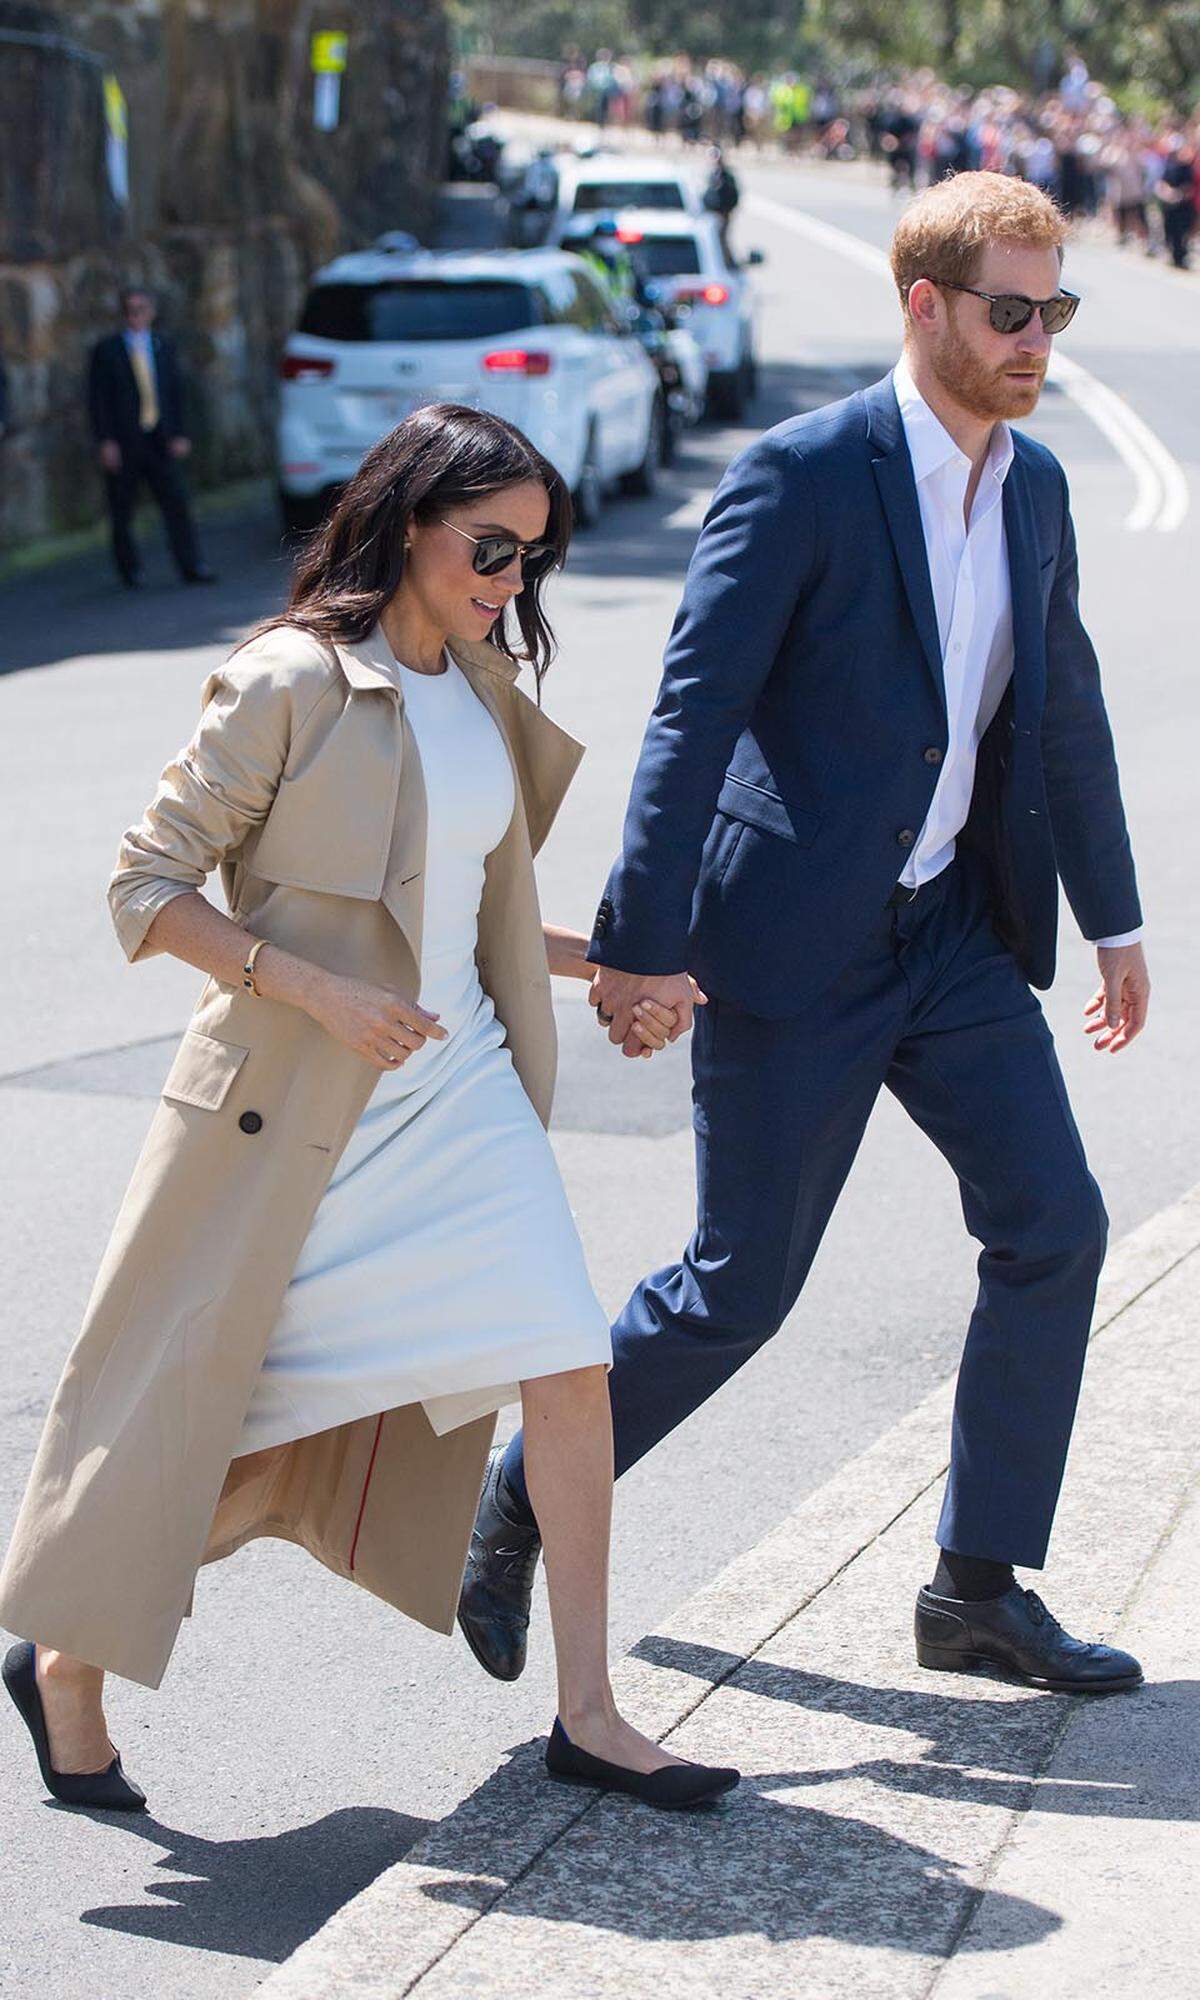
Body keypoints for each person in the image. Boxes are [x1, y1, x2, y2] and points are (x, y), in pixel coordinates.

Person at [459, 174, 1150, 1701]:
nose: (1039, 340)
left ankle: (977, 1587)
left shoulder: (1032, 490)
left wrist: (1117, 918)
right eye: (1011, 310)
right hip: (792, 944)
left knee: (1055, 1225)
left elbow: (1065, 719)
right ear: (926, 306)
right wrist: (641, 946)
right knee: (741, 1286)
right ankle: (526, 1484)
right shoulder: (803, 476)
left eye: (1058, 311)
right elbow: (692, 719)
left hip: (954, 937)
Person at [0, 404, 737, 1816]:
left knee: (567, 1364)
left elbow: (474, 913)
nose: (512, 581)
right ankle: (65, 1657)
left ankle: (591, 1712)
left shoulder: (476, 685)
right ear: (409, 520)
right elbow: (144, 889)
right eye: (491, 546)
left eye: (535, 556)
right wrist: (315, 992)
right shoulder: (289, 680)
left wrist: (618, 967)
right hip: (304, 1129)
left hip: (464, 1101)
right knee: (232, 1439)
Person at [87, 285, 216, 589]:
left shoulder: (163, 346)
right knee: (122, 508)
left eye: (141, 309)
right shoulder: (107, 350)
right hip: (125, 439)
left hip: (158, 439)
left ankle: (191, 564)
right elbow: (98, 399)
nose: (136, 316)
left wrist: (179, 433)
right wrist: (106, 440)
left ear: (152, 312)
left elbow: (175, 394)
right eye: (130, 310)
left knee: (176, 503)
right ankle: (129, 570)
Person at [703, 145, 741, 260]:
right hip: (712, 212)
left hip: (723, 212)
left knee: (722, 239)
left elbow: (733, 195)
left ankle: (727, 261)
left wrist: (727, 209)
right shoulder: (713, 174)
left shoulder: (726, 176)